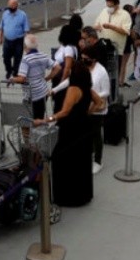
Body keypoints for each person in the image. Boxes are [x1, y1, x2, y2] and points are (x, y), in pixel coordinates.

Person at [35, 62, 103, 207]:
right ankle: (82, 195)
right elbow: (99, 102)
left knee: (64, 161)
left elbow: (65, 112)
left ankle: (66, 196)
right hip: (84, 127)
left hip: (70, 129)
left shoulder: (73, 89)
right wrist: (87, 113)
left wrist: (47, 120)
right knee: (82, 162)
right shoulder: (87, 88)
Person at [80, 43, 110, 173]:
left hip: (97, 108)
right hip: (85, 105)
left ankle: (98, 161)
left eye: (85, 58)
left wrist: (92, 94)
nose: (83, 60)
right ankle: (89, 153)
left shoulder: (101, 71)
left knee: (96, 133)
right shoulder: (83, 67)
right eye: (82, 57)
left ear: (93, 58)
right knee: (87, 133)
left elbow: (106, 92)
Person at [7, 34, 52, 119]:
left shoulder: (26, 59)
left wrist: (12, 79)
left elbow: (22, 78)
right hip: (43, 92)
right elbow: (57, 67)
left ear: (25, 46)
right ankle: (38, 131)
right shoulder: (43, 56)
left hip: (31, 95)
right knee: (39, 117)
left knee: (25, 120)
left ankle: (30, 132)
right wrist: (47, 78)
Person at [0, 0, 31, 79]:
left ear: (16, 6)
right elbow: (1, 27)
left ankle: (15, 72)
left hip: (18, 41)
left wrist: (26, 44)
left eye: (11, 7)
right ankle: (9, 71)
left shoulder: (22, 15)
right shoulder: (5, 14)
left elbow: (26, 30)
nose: (10, 9)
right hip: (7, 41)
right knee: (6, 58)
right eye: (9, 7)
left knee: (17, 58)